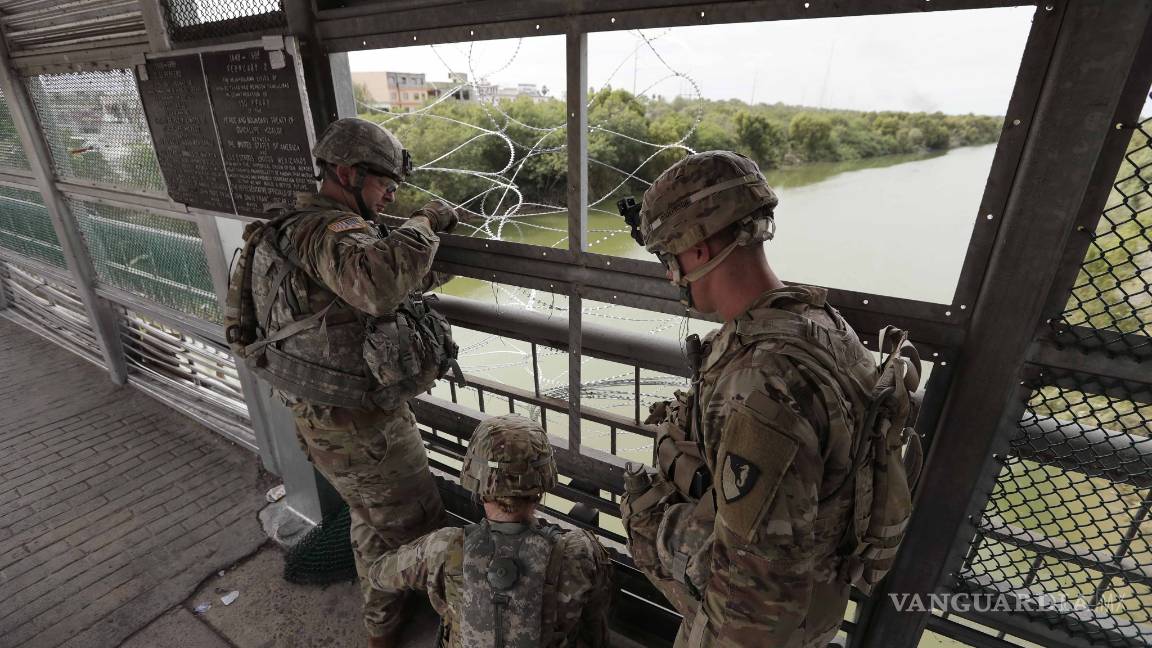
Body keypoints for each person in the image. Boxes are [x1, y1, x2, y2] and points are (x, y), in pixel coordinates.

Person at [619, 151, 880, 647]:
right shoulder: (822, 324)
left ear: (695, 250)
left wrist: (663, 525)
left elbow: (754, 611)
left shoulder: (761, 382)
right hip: (814, 601)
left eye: (665, 256)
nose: (669, 274)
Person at [229, 118, 464, 647]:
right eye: (384, 185)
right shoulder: (324, 229)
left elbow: (364, 284)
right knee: (423, 532)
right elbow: (378, 285)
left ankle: (381, 624)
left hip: (327, 415)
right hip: (358, 426)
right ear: (345, 173)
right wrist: (425, 220)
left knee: (370, 518)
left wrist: (415, 247)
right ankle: (453, 625)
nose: (390, 196)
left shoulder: (294, 227)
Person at [367, 413, 614, 648]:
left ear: (478, 485)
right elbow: (596, 620)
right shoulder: (581, 554)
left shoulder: (442, 547)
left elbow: (379, 574)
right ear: (541, 487)